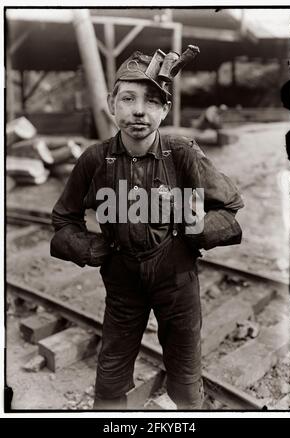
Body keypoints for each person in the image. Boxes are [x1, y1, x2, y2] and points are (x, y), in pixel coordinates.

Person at [51, 47, 244, 410]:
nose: (139, 110)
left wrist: (195, 228)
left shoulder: (182, 152)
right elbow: (63, 220)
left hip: (176, 279)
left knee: (185, 376)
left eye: (153, 101)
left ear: (165, 110)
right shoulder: (94, 160)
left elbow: (230, 210)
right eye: (128, 98)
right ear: (112, 103)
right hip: (122, 283)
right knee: (110, 376)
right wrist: (88, 248)